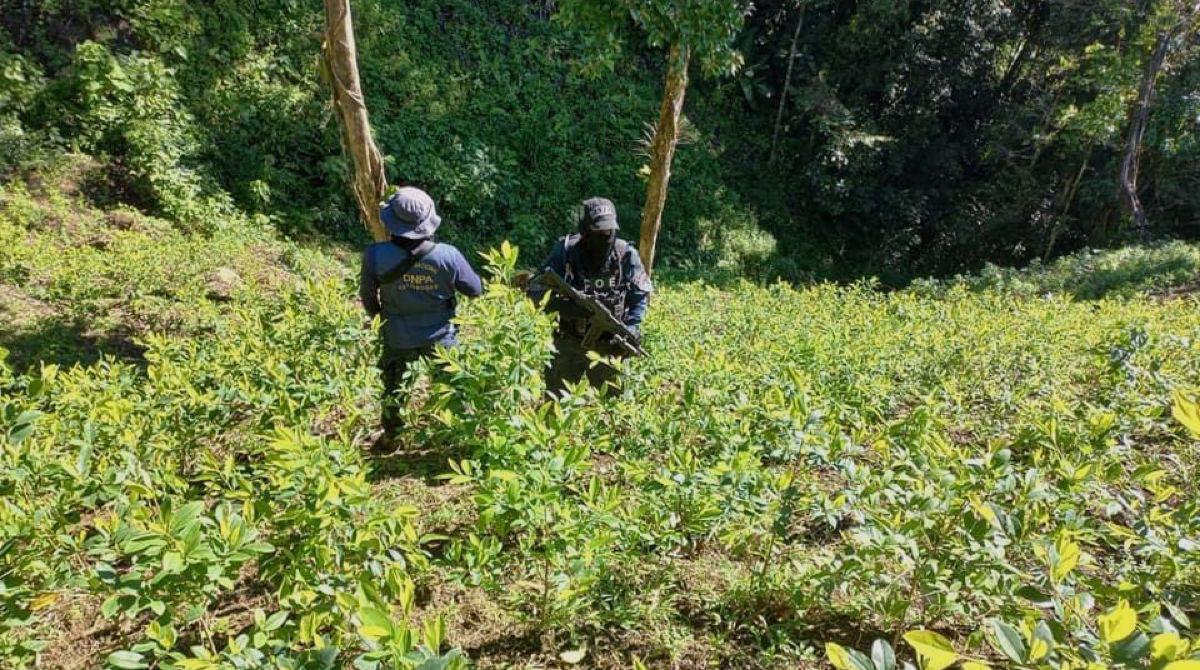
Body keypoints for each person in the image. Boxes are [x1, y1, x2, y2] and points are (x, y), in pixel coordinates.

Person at [360, 186, 482, 439]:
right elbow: (475, 289)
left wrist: (381, 319)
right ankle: (459, 439)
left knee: (394, 389)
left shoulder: (374, 255)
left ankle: (392, 436)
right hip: (441, 336)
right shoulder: (448, 255)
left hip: (397, 334)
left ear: (392, 222)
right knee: (453, 389)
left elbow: (368, 297)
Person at [528, 197, 652, 396]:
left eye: (608, 232)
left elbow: (640, 295)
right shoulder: (566, 252)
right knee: (555, 403)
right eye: (598, 232)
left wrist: (633, 327)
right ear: (585, 231)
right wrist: (562, 306)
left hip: (609, 345)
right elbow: (535, 289)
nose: (604, 237)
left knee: (613, 406)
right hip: (568, 342)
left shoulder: (625, 254)